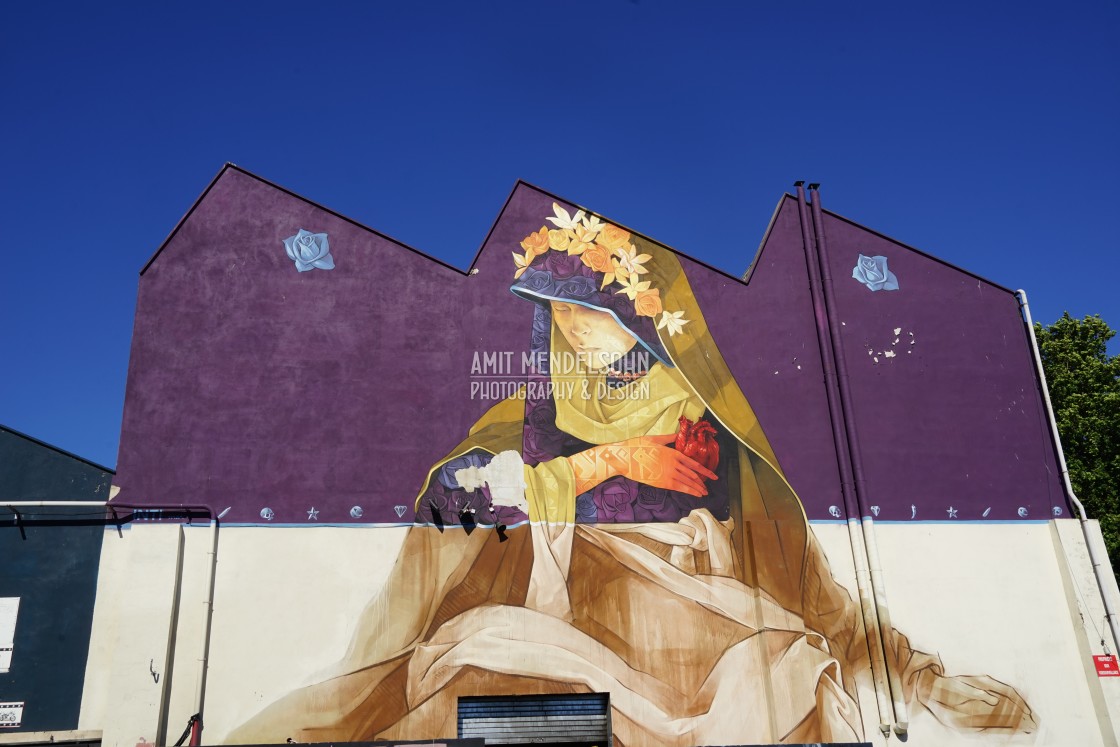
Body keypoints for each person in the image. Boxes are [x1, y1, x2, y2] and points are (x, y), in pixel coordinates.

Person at [232, 204, 1034, 745]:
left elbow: (805, 576)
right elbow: (456, 498)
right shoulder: (529, 416)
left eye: (593, 312)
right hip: (562, 631)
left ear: (645, 321)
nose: (574, 331)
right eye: (560, 313)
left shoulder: (709, 430)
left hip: (706, 636)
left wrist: (926, 682)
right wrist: (606, 461)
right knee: (473, 665)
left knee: (786, 679)